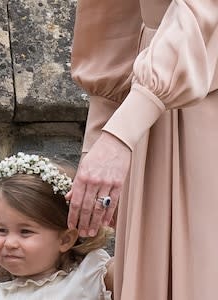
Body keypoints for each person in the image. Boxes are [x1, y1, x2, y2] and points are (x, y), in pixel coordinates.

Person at [68, 1, 218, 299]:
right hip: (151, 119)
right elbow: (114, 15)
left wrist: (120, 133)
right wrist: (102, 134)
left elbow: (203, 12)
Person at [0, 152, 114, 299]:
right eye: (1, 230)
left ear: (65, 239)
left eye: (25, 231)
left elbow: (139, 269)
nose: (9, 243)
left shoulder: (89, 277)